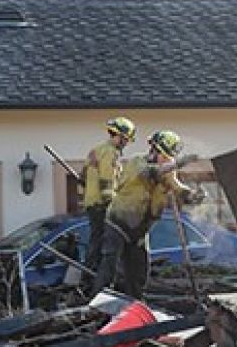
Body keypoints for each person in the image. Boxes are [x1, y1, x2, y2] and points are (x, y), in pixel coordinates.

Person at [90, 130, 206, 300]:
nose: (166, 160)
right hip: (118, 223)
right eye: (164, 156)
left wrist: (192, 195)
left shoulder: (167, 169)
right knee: (110, 264)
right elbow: (151, 172)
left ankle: (135, 303)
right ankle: (97, 301)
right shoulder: (137, 162)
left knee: (139, 271)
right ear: (153, 150)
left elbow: (177, 187)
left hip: (139, 230)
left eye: (169, 157)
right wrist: (177, 164)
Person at [82, 116, 136, 273]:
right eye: (125, 140)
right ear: (119, 136)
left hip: (91, 202)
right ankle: (98, 273)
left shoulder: (96, 150)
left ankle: (91, 270)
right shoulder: (111, 154)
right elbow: (106, 183)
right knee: (107, 242)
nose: (125, 144)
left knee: (96, 238)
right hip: (102, 204)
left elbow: (82, 177)